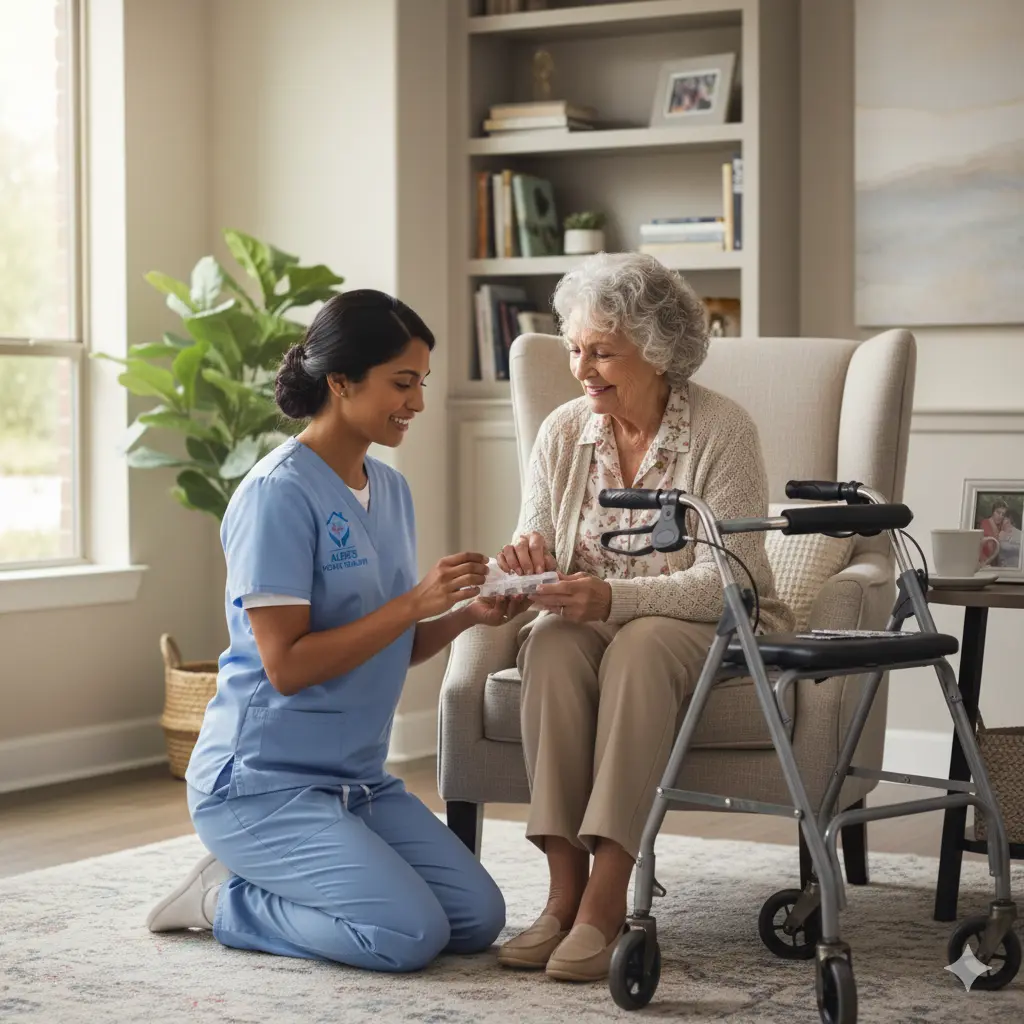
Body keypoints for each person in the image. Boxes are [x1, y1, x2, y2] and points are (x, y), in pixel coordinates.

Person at [146, 289, 508, 972]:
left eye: (422, 383)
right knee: (406, 936)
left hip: (357, 782)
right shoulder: (277, 494)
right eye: (403, 383)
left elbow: (385, 649)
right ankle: (223, 899)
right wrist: (413, 604)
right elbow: (287, 666)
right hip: (259, 783)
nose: (419, 402)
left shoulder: (391, 490)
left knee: (476, 919)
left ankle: (285, 877)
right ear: (341, 382)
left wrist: (463, 616)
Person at [494, 252, 794, 982]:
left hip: (698, 625)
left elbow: (736, 581)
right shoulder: (566, 432)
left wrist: (616, 599)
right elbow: (542, 544)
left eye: (602, 351)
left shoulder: (723, 430)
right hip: (589, 616)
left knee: (641, 647)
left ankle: (606, 900)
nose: (581, 368)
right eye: (574, 349)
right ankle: (561, 893)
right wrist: (531, 563)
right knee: (554, 645)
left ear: (657, 352)